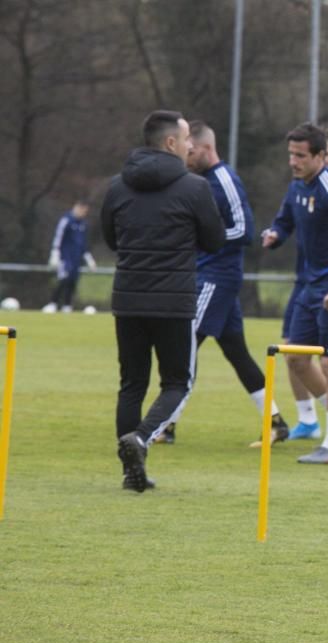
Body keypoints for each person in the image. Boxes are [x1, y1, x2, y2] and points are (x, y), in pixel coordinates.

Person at [101, 110, 225, 492]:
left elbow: (111, 240)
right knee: (177, 382)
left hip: (129, 300)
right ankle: (141, 439)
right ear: (171, 143)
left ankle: (129, 472)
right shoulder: (194, 188)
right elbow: (215, 241)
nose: (190, 146)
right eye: (187, 139)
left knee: (131, 384)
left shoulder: (117, 187)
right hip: (174, 302)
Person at [153, 120, 290, 447]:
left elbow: (244, 230)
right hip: (211, 275)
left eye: (189, 148)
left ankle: (164, 424)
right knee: (236, 352)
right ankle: (275, 422)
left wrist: (199, 241)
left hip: (217, 277)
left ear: (205, 148)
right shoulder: (199, 181)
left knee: (184, 343)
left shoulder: (224, 179)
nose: (185, 155)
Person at [262, 122, 328, 465]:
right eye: (291, 154)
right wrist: (275, 234)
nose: (293, 161)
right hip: (309, 287)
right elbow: (285, 221)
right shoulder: (297, 186)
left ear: (322, 156)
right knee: (295, 359)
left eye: (301, 156)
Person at [43, 200, 97, 313]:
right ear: (77, 208)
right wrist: (55, 254)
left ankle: (67, 305)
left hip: (76, 259)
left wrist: (89, 260)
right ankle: (53, 303)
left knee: (73, 282)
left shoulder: (83, 224)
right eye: (82, 210)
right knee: (63, 280)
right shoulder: (66, 220)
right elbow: (58, 237)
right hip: (65, 258)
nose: (84, 213)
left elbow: (84, 244)